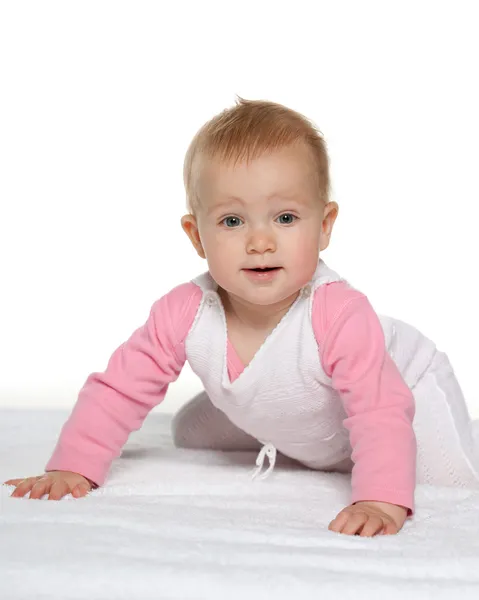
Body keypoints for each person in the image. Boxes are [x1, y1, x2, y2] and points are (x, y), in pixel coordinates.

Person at [4, 97, 479, 538]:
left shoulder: (338, 313)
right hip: (294, 405)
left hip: (405, 393)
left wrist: (380, 500)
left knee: (447, 482)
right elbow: (120, 388)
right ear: (196, 235)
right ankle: (311, 446)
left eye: (286, 218)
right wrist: (73, 467)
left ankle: (371, 463)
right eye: (232, 221)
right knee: (188, 432)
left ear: (325, 225)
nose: (260, 242)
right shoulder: (185, 310)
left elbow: (378, 410)